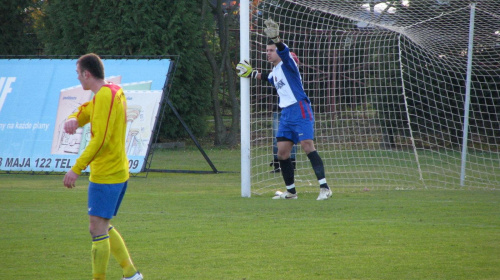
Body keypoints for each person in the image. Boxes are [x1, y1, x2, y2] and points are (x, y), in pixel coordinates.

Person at [63, 53, 143, 280]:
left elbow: (101, 139)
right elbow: (87, 109)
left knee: (96, 228)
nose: (78, 78)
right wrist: (74, 118)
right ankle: (131, 273)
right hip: (115, 171)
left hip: (107, 174)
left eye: (78, 74)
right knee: (102, 225)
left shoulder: (106, 95)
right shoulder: (111, 91)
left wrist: (76, 168)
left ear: (87, 74)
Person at [236, 19, 332, 200]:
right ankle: (291, 192)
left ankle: (325, 188)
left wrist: (277, 39)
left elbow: (285, 52)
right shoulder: (275, 72)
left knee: (307, 146)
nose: (268, 53)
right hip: (286, 114)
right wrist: (250, 73)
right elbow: (265, 76)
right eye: (267, 50)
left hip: (300, 108)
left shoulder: (288, 64)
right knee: (282, 152)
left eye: (271, 50)